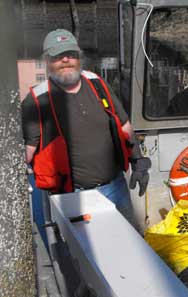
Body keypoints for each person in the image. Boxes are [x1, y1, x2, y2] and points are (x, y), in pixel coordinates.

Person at [21, 29, 151, 227]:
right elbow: (28, 152)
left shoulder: (97, 83)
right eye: (58, 57)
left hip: (116, 186)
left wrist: (138, 161)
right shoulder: (37, 99)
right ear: (47, 61)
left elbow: (123, 125)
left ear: (79, 58)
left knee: (130, 243)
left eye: (71, 55)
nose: (66, 60)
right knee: (89, 256)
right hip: (74, 196)